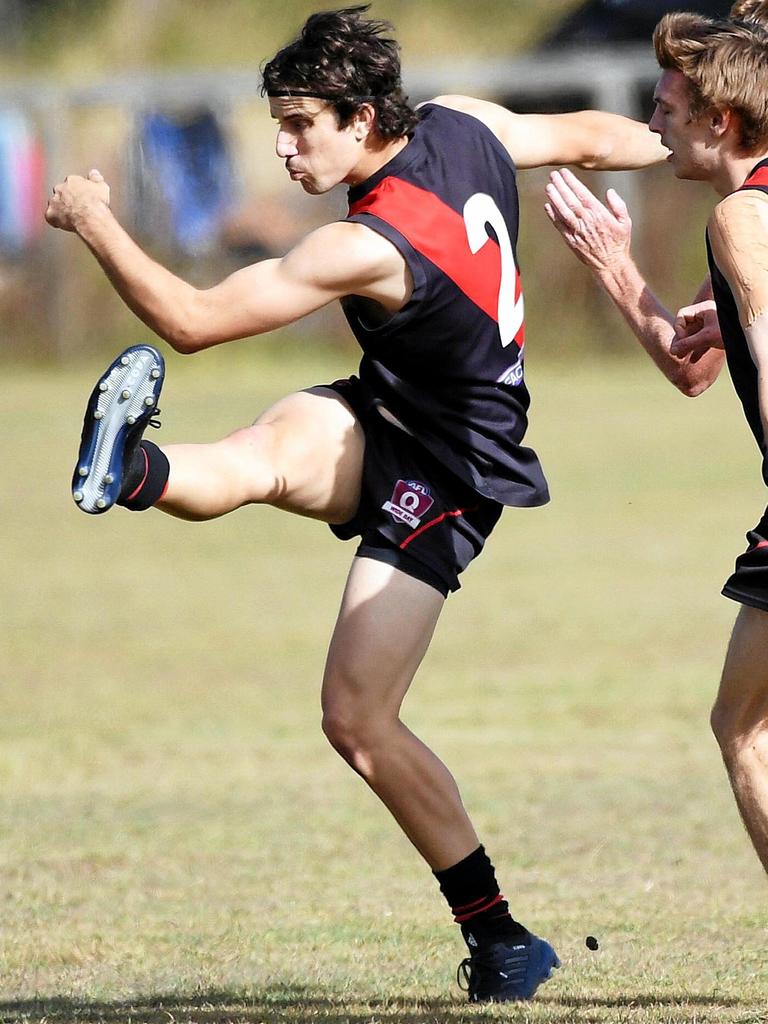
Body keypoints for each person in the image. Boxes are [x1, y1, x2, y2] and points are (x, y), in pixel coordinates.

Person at [46, 5, 666, 1003]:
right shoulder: (463, 119)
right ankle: (130, 473)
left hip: (456, 469)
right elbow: (594, 135)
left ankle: (501, 936)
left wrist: (93, 218)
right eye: (280, 125)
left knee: (357, 717)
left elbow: (194, 321)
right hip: (394, 412)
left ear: (365, 116)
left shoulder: (369, 245)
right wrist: (708, 148)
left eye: (301, 126)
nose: (284, 149)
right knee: (262, 453)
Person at [545, 9, 768, 876]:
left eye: (667, 110)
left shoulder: (742, 222)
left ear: (722, 121)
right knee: (743, 720)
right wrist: (616, 267)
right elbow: (694, 370)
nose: (652, 126)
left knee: (744, 727)